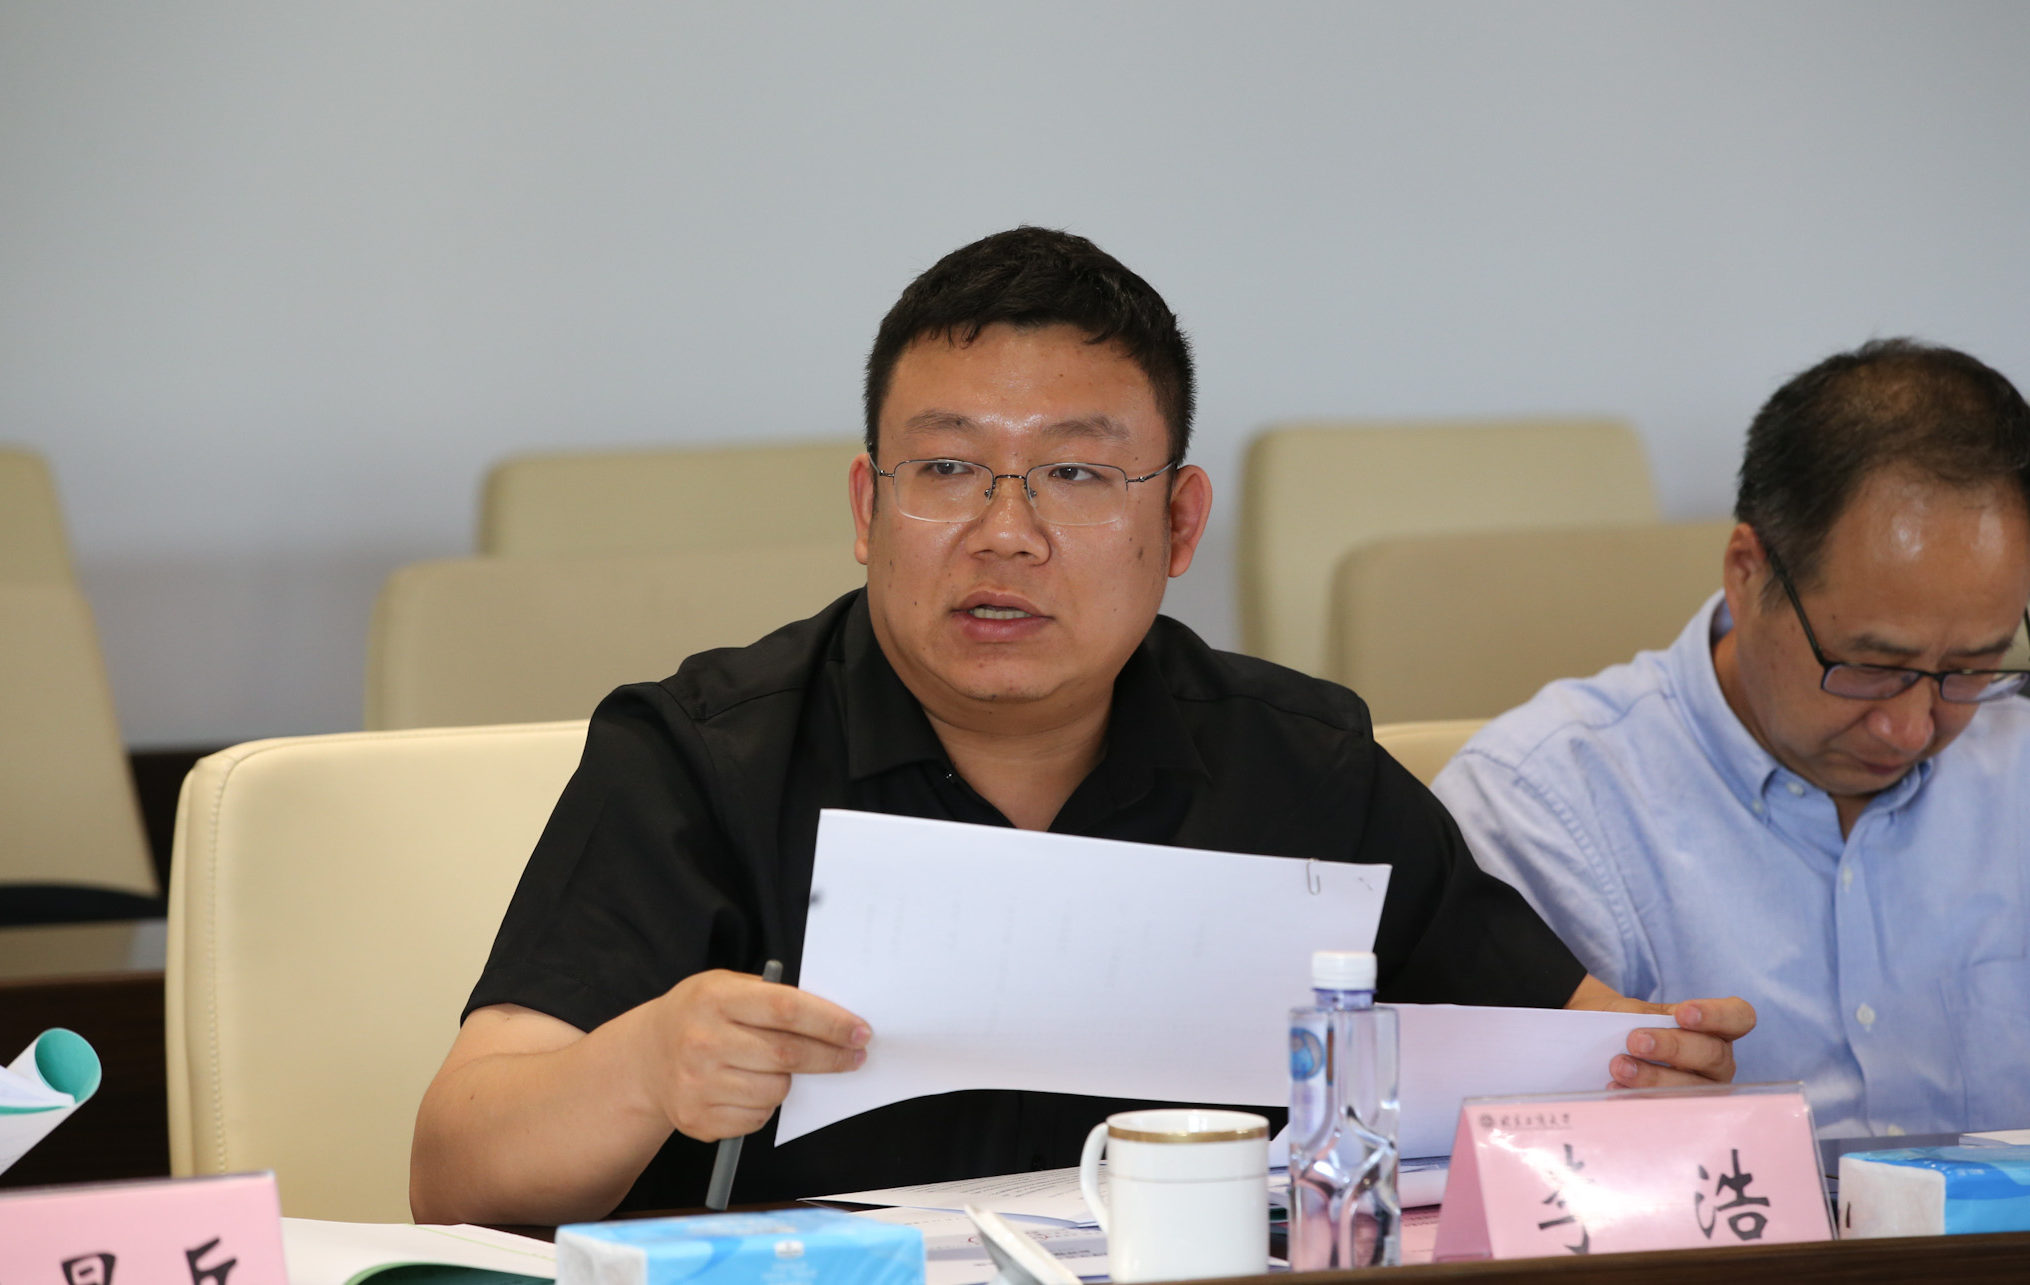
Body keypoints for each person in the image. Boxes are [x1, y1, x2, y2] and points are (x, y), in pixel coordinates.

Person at [409, 227, 1750, 1226]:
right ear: (868, 509)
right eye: (948, 468)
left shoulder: (1303, 766)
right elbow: (456, 1170)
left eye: (1074, 472)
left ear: (1178, 523)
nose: (1006, 532)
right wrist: (645, 1067)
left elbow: (1583, 1055)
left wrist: (1661, 1084)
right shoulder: (699, 758)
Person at [1436, 338, 2030, 1140]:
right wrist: (1624, 1129)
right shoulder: (1542, 805)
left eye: (1971, 666)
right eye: (1871, 665)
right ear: (1748, 572)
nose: (1913, 725)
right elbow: (1490, 1160)